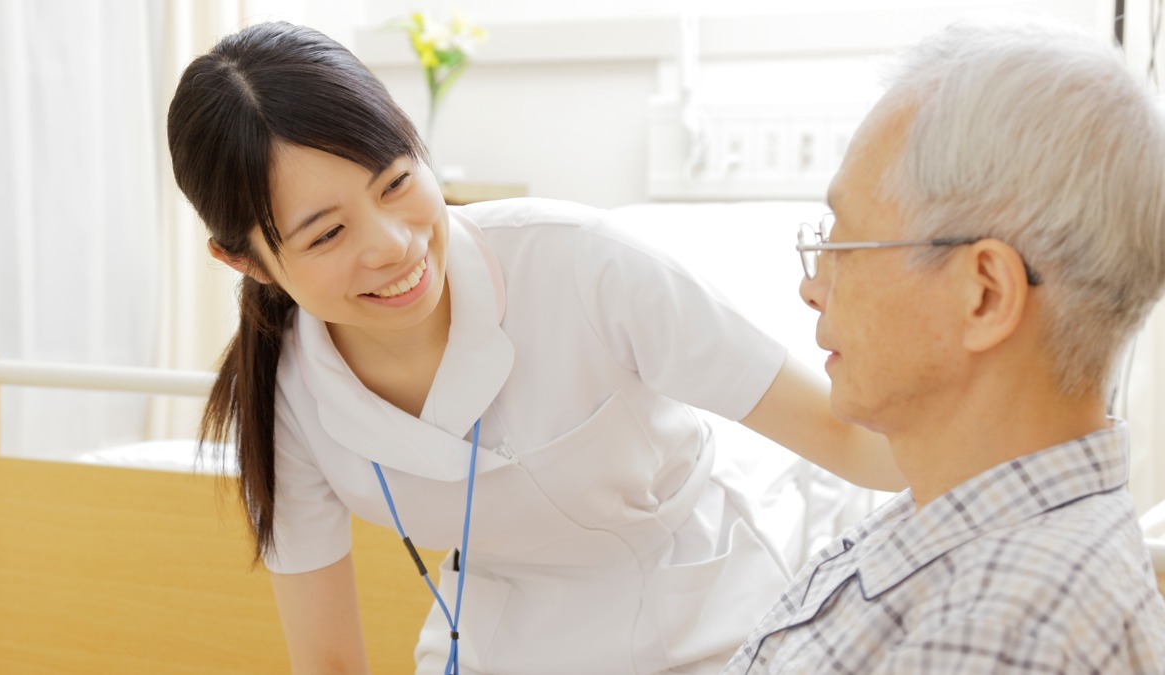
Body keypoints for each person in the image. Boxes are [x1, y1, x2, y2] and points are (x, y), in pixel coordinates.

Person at [167, 21, 900, 675]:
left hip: (709, 612)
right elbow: (328, 659)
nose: (394, 246)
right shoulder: (286, 395)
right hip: (496, 642)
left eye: (395, 182)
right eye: (327, 233)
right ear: (248, 262)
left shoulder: (584, 265)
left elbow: (846, 436)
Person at [724, 19, 1165, 674]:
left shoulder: (998, 637)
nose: (811, 286)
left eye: (841, 247)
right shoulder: (951, 518)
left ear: (983, 294)